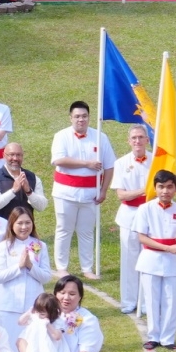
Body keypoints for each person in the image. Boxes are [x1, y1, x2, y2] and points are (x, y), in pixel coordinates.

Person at [49, 102, 114, 278]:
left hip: (90, 194)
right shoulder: (61, 136)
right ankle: (61, 267)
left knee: (86, 232)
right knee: (64, 229)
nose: (81, 119)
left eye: (84, 116)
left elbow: (109, 166)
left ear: (89, 117)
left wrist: (104, 190)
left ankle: (87, 268)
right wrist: (87, 163)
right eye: (77, 116)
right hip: (65, 193)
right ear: (71, 118)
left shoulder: (100, 137)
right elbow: (58, 160)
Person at [0, 205, 48, 352]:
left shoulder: (39, 246)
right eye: (20, 223)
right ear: (12, 224)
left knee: (29, 345)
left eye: (27, 222)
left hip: (32, 305)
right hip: (8, 303)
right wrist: (19, 266)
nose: (24, 227)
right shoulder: (3, 246)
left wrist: (31, 266)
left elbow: (46, 277)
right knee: (8, 343)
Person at [134, 170, 176, 350]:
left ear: (175, 188)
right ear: (155, 188)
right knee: (152, 299)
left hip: (173, 260)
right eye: (161, 187)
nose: (165, 191)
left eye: (170, 187)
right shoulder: (145, 208)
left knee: (172, 300)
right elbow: (142, 237)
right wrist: (167, 248)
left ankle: (168, 338)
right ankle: (153, 336)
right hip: (151, 259)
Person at [111, 125, 154, 315]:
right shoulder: (121, 163)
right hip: (129, 215)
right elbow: (121, 194)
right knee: (129, 260)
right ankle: (128, 301)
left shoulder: (156, 161)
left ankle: (145, 301)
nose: (137, 141)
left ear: (147, 140)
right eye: (134, 138)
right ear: (129, 141)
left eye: (141, 137)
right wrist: (143, 191)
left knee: (147, 258)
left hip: (150, 215)